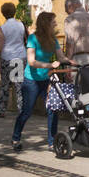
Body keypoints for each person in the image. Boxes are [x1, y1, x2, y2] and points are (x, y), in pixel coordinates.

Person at [12, 11, 66, 152]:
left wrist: (74, 62)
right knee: (27, 111)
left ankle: (51, 142)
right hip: (31, 81)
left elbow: (61, 57)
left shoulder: (52, 39)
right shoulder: (32, 39)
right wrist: (49, 65)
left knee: (52, 109)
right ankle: (16, 137)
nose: (55, 24)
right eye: (53, 22)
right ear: (46, 24)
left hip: (46, 80)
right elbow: (31, 62)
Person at [0, 2, 26, 118]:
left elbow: (0, 46)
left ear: (3, 14)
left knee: (5, 85)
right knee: (19, 85)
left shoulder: (3, 28)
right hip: (20, 56)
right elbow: (23, 39)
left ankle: (2, 109)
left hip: (7, 57)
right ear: (14, 12)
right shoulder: (21, 25)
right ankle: (21, 109)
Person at [63, 0, 89, 66]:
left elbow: (70, 44)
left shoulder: (70, 19)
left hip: (77, 60)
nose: (67, 13)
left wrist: (67, 64)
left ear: (70, 7)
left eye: (67, 11)